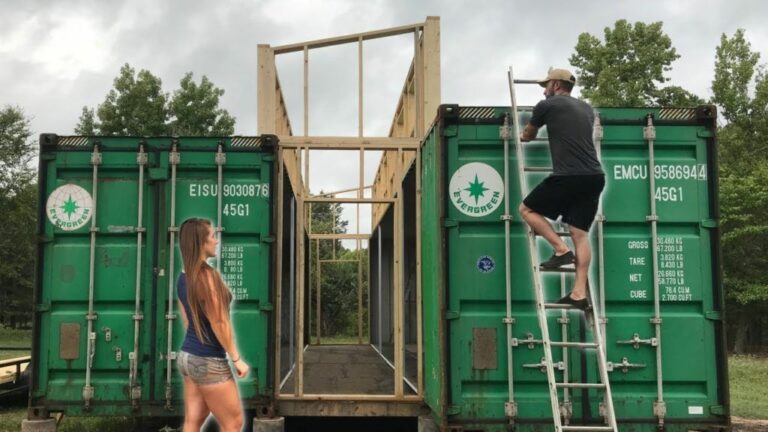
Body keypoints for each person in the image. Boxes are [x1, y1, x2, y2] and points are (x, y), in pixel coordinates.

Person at [518, 68, 605, 311]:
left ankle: (560, 249)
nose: (544, 90)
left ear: (556, 85)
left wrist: (522, 136)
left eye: (546, 85)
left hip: (569, 176)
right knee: (580, 234)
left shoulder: (547, 105)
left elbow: (529, 134)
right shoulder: (587, 108)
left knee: (526, 209)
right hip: (595, 176)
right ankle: (578, 293)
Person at [176, 218, 249, 432]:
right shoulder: (207, 277)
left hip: (188, 356)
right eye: (212, 236)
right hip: (208, 360)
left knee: (193, 421)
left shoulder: (184, 276)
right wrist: (236, 358)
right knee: (233, 423)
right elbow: (219, 321)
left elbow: (188, 320)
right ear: (201, 242)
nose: (216, 241)